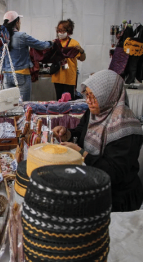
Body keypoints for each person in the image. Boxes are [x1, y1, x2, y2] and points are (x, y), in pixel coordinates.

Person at [53, 69, 143, 212]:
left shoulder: (125, 128)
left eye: (94, 96)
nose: (88, 101)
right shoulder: (95, 112)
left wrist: (81, 153)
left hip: (118, 198)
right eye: (87, 95)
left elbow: (113, 173)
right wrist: (68, 134)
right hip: (94, 183)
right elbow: (81, 131)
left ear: (109, 95)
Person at [3, 11, 53, 101]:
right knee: (24, 105)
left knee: (9, 105)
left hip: (6, 75)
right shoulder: (21, 36)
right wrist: (51, 43)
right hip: (21, 74)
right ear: (17, 22)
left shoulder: (1, 37)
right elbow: (41, 45)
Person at [51, 18, 86, 100]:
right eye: (58, 30)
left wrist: (81, 50)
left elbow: (82, 58)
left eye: (62, 31)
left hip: (69, 78)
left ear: (68, 31)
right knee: (59, 101)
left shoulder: (74, 43)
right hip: (58, 77)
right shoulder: (55, 43)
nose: (60, 33)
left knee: (69, 102)